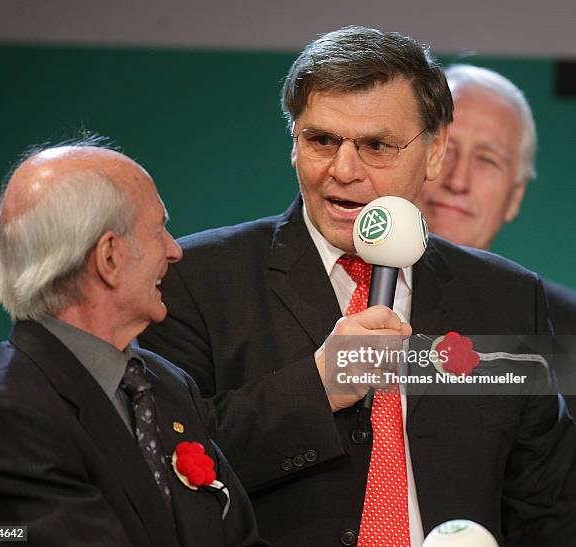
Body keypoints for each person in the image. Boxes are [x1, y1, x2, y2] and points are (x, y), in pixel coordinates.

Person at [139, 27, 576, 546]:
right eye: (322, 140)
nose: (343, 171)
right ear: (294, 143)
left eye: (377, 146)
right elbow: (160, 468)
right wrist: (316, 387)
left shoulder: (506, 300)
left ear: (434, 153)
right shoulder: (196, 280)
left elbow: (548, 508)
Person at [0, 143, 269, 547]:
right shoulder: (13, 413)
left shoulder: (165, 384)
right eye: (159, 229)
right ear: (109, 258)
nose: (174, 250)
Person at [415, 64, 576, 334]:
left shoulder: (565, 326)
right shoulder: (347, 293)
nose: (457, 181)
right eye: (445, 151)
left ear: (516, 196)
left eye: (486, 160)